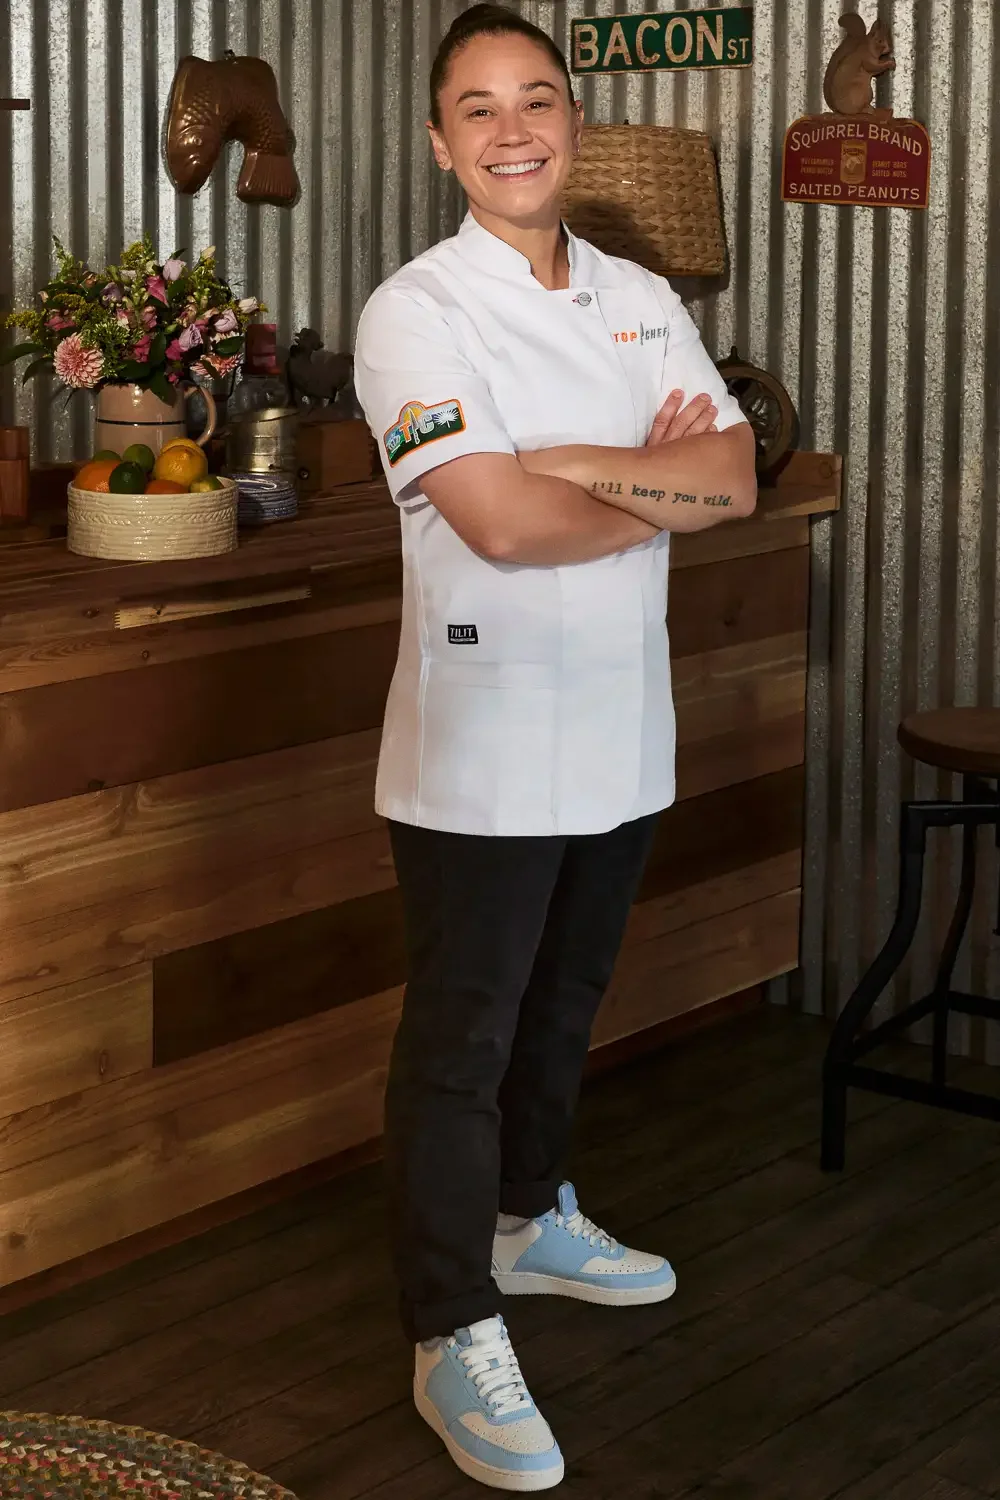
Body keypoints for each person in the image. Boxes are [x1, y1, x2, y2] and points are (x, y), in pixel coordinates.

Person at [353, 5, 755, 1490]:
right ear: (442, 139)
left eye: (538, 98)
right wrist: (644, 480)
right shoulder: (416, 312)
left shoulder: (645, 293)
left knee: (567, 998)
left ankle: (529, 1219)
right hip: (485, 732)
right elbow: (496, 524)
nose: (513, 128)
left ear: (574, 121)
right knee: (462, 1038)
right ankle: (449, 1324)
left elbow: (736, 481)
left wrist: (581, 465)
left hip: (619, 719)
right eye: (478, 107)